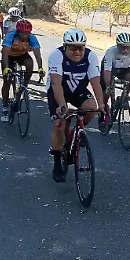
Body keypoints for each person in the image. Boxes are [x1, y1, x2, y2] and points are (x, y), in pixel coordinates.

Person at [47, 29, 104, 182]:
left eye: (81, 47)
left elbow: (96, 83)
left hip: (77, 88)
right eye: (73, 47)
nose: (78, 51)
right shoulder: (56, 55)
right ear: (65, 46)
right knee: (59, 124)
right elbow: (56, 83)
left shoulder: (90, 56)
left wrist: (102, 105)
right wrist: (62, 105)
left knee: (91, 107)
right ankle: (57, 162)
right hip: (58, 89)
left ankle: (76, 133)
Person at [0, 19, 45, 122]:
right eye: (22, 33)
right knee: (7, 81)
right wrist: (6, 68)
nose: (24, 35)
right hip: (9, 57)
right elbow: (5, 53)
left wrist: (40, 68)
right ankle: (5, 107)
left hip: (21, 55)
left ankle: (24, 85)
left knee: (30, 63)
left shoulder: (32, 38)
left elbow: (37, 55)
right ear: (18, 31)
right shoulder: (10, 36)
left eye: (27, 33)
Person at [100, 32, 130, 127]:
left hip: (123, 68)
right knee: (107, 91)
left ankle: (123, 97)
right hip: (110, 68)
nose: (125, 50)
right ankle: (103, 110)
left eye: (127, 47)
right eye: (122, 47)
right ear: (117, 46)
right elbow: (107, 71)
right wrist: (108, 86)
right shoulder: (110, 52)